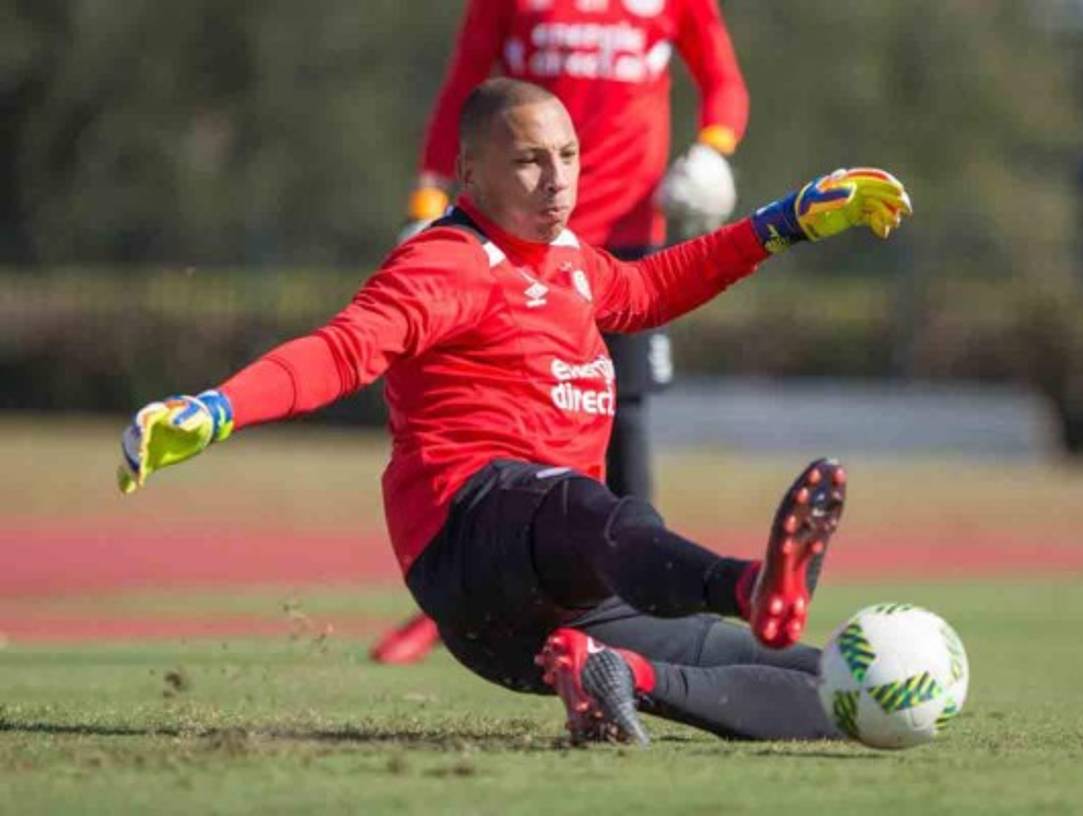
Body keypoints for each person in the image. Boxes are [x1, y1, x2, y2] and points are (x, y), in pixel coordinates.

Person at [117, 79, 911, 744]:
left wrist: (789, 221)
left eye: (567, 156)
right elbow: (341, 350)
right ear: (470, 172)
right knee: (580, 502)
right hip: (469, 545)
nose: (557, 180)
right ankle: (750, 584)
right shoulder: (443, 262)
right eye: (529, 160)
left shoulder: (572, 261)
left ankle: (619, 675)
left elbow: (652, 286)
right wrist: (220, 407)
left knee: (823, 686)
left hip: (551, 605)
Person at [374, 0, 751, 665]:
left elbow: (724, 81)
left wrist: (715, 149)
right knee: (486, 416)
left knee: (622, 416)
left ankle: (635, 598)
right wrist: (427, 205)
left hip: (625, 243)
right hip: (511, 239)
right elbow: (466, 89)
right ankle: (461, 597)